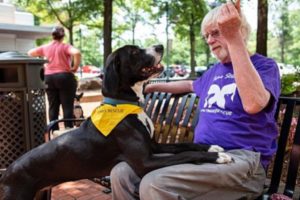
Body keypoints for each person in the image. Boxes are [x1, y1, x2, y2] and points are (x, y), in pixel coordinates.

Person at [110, 0, 281, 199]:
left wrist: (234, 40)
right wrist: (152, 86)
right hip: (204, 154)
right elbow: (189, 85)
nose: (209, 40)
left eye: (216, 32)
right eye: (206, 36)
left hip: (242, 162)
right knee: (122, 173)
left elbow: (254, 103)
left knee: (156, 184)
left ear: (239, 30)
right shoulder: (214, 71)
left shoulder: (264, 66)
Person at [28, 26, 81, 130]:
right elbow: (76, 53)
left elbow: (30, 53)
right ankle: (68, 130)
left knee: (53, 106)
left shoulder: (45, 47)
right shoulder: (65, 46)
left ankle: (54, 131)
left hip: (49, 78)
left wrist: (42, 64)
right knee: (67, 106)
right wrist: (74, 67)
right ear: (63, 36)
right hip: (65, 77)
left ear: (52, 36)